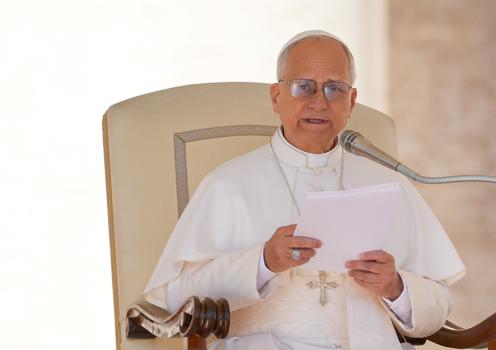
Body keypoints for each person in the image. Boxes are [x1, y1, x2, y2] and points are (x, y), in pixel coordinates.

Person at [144, 30, 465, 350]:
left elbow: (439, 304)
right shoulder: (227, 184)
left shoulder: (391, 185)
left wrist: (396, 287)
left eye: (334, 89)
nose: (319, 102)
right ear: (276, 97)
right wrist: (262, 262)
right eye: (303, 87)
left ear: (351, 102)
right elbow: (174, 298)